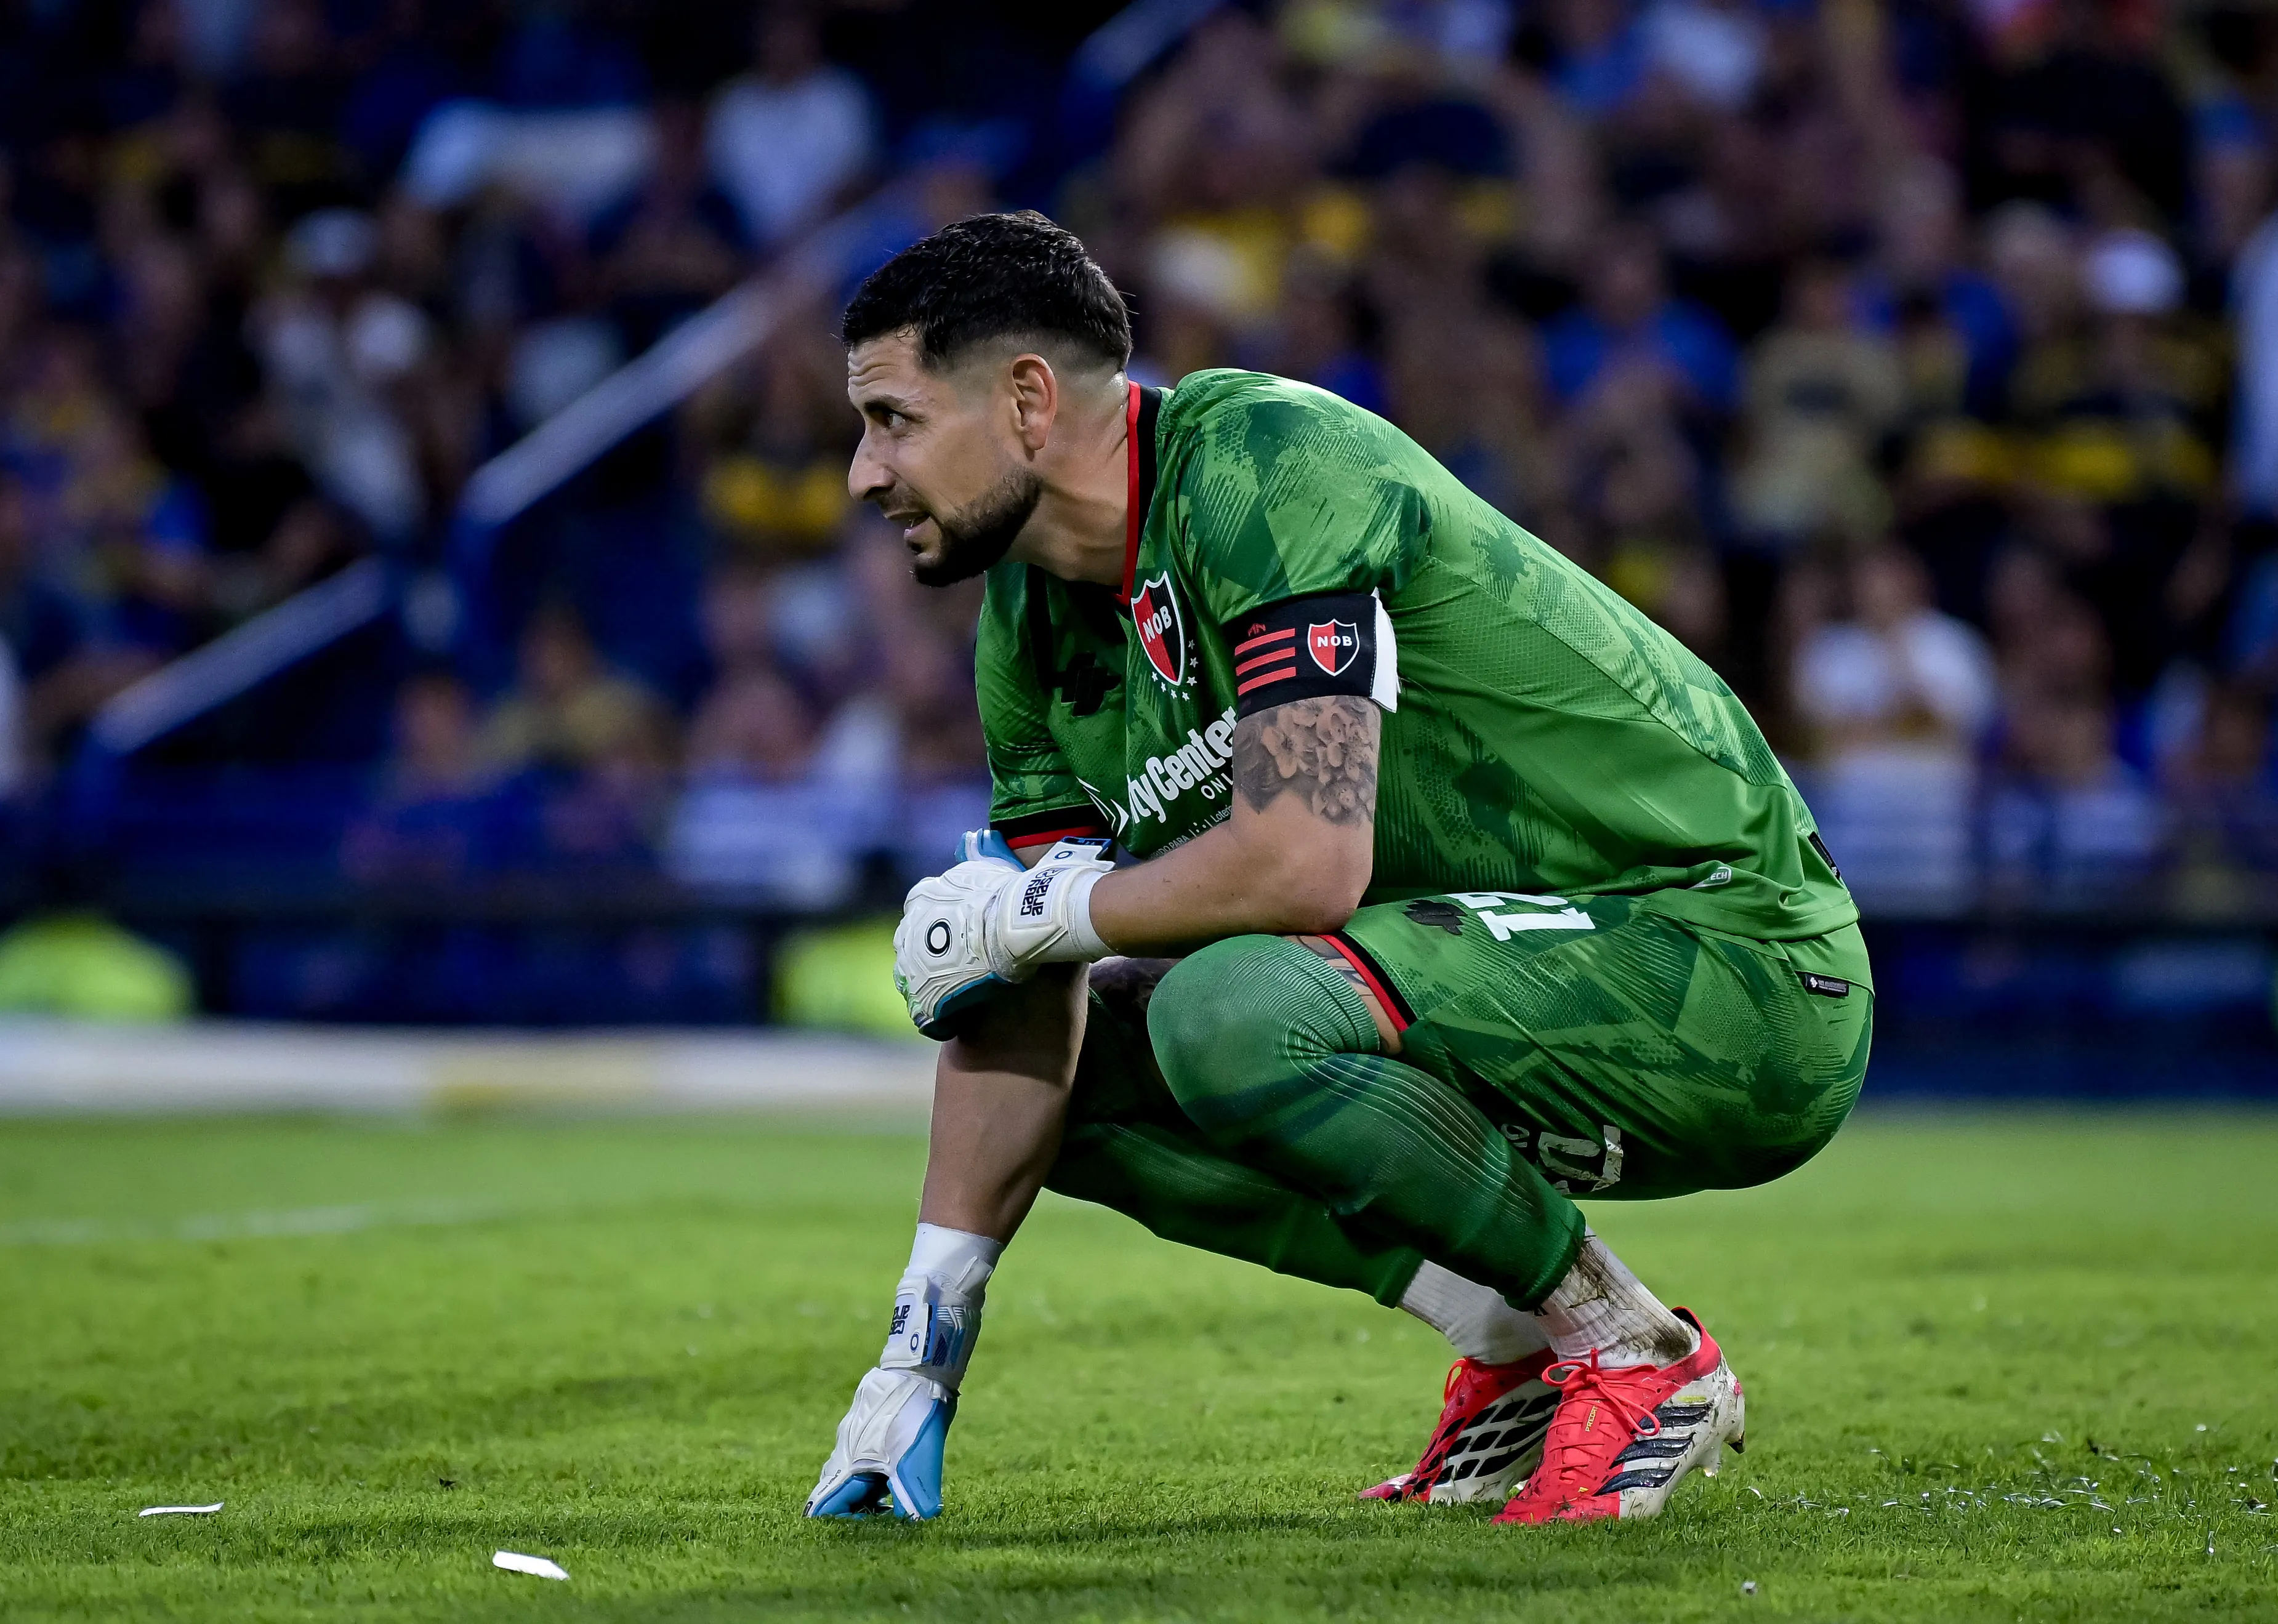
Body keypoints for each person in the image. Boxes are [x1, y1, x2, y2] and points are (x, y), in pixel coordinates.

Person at [808, 212, 1869, 1528]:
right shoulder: (1027, 629)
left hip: (1733, 960)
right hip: (1495, 973)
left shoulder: (1259, 461)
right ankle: (1518, 1342)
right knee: (1079, 1072)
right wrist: (919, 1351)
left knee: (1228, 1010)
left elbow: (1305, 859)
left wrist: (1032, 908)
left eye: (891, 419)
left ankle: (1634, 1349)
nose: (862, 473)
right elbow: (1022, 987)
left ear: (1026, 397)